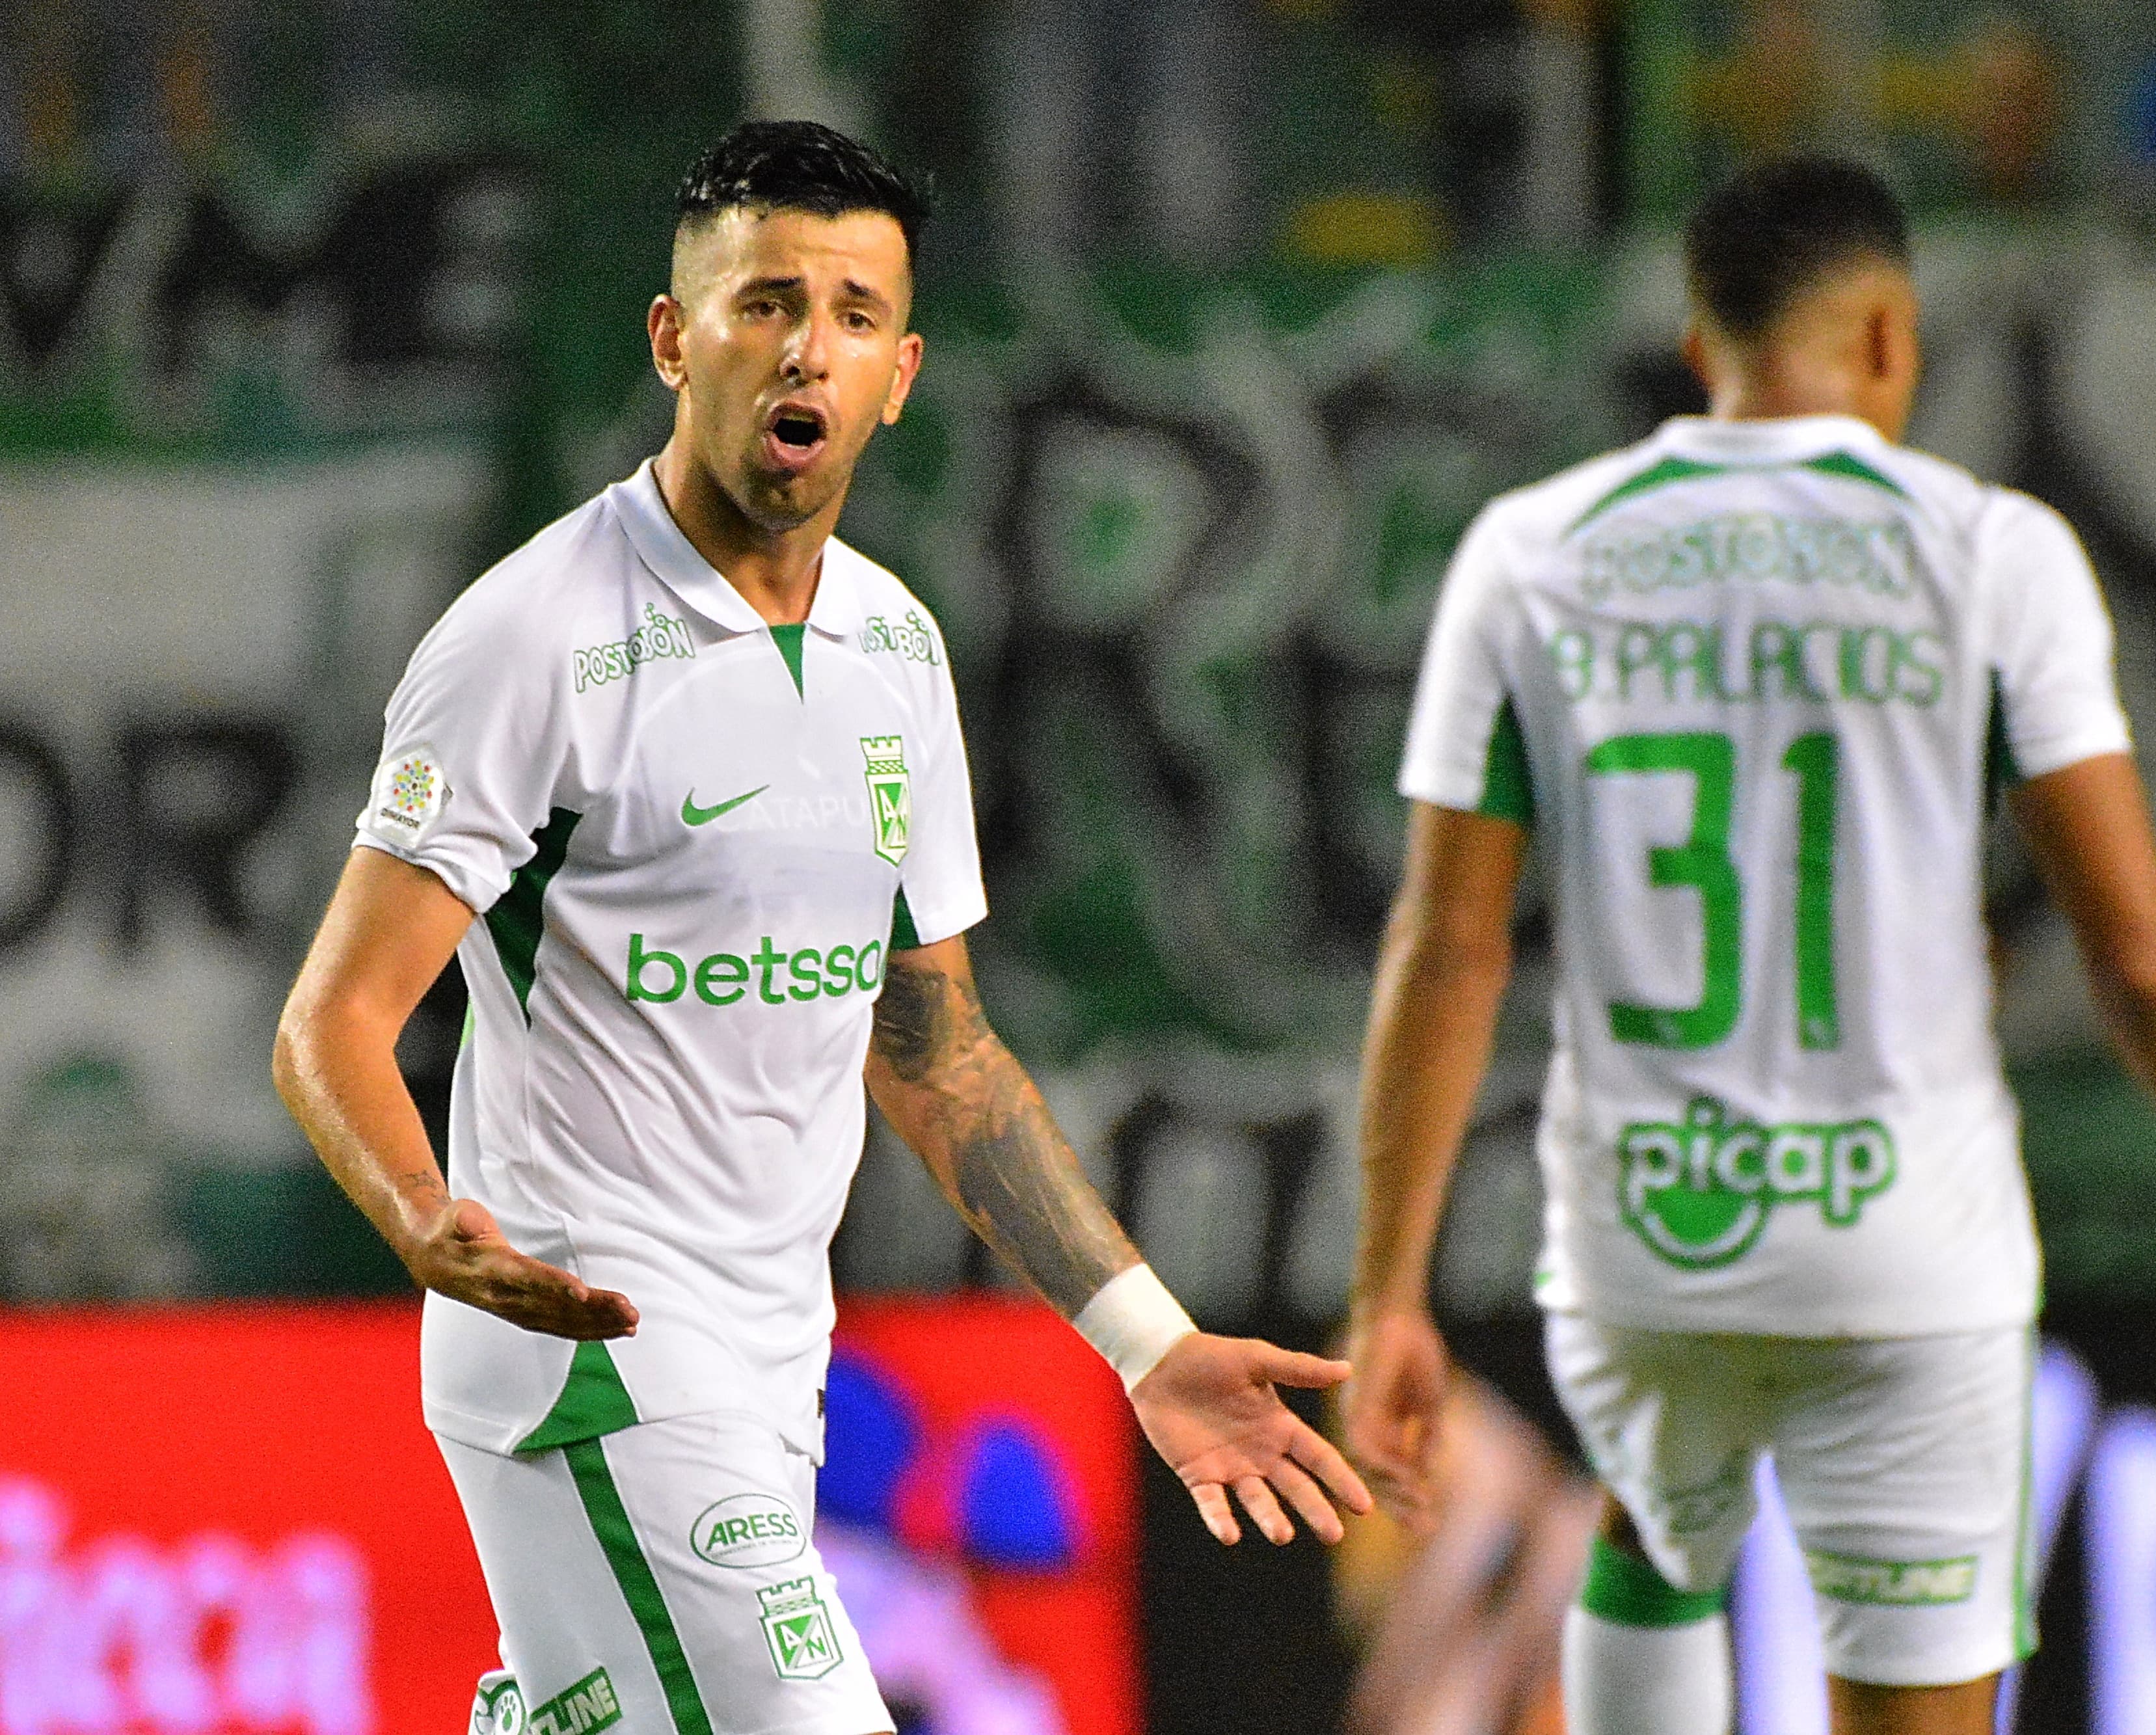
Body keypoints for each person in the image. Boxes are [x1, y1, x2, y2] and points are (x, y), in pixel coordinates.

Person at [272, 119, 1369, 1735]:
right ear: (675, 339)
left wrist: (1144, 1340)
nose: (808, 347)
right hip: (594, 1352)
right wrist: (426, 1215)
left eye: (853, 314)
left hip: (775, 1371)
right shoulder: (532, 635)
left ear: (902, 370)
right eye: (765, 302)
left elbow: (935, 1054)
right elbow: (333, 1020)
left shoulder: (891, 648)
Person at [1342, 159, 2156, 1735]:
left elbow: (1446, 945)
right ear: (1882, 336)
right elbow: (2129, 943)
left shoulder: (1528, 551)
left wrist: (1389, 1286)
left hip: (1647, 1236)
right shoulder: (1989, 553)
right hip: (1903, 1253)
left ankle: (1657, 1549)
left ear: (1696, 333)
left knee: (1654, 1525)